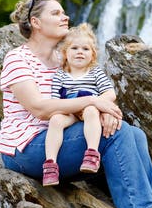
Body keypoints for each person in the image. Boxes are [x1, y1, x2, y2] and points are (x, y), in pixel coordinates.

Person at [0, 0, 152, 208]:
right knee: (117, 136)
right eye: (56, 14)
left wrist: (103, 112)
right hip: (27, 149)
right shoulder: (18, 59)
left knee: (135, 134)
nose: (65, 17)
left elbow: (95, 90)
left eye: (63, 13)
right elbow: (39, 108)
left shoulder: (64, 59)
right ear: (36, 22)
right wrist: (93, 102)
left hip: (65, 137)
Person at [44, 23, 115, 186]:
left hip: (87, 111)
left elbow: (110, 93)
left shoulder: (96, 72)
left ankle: (91, 153)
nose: (80, 52)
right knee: (55, 120)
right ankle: (50, 164)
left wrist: (103, 107)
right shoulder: (60, 75)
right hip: (69, 110)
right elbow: (55, 102)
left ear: (93, 55)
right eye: (74, 48)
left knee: (90, 110)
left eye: (85, 49)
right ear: (65, 53)